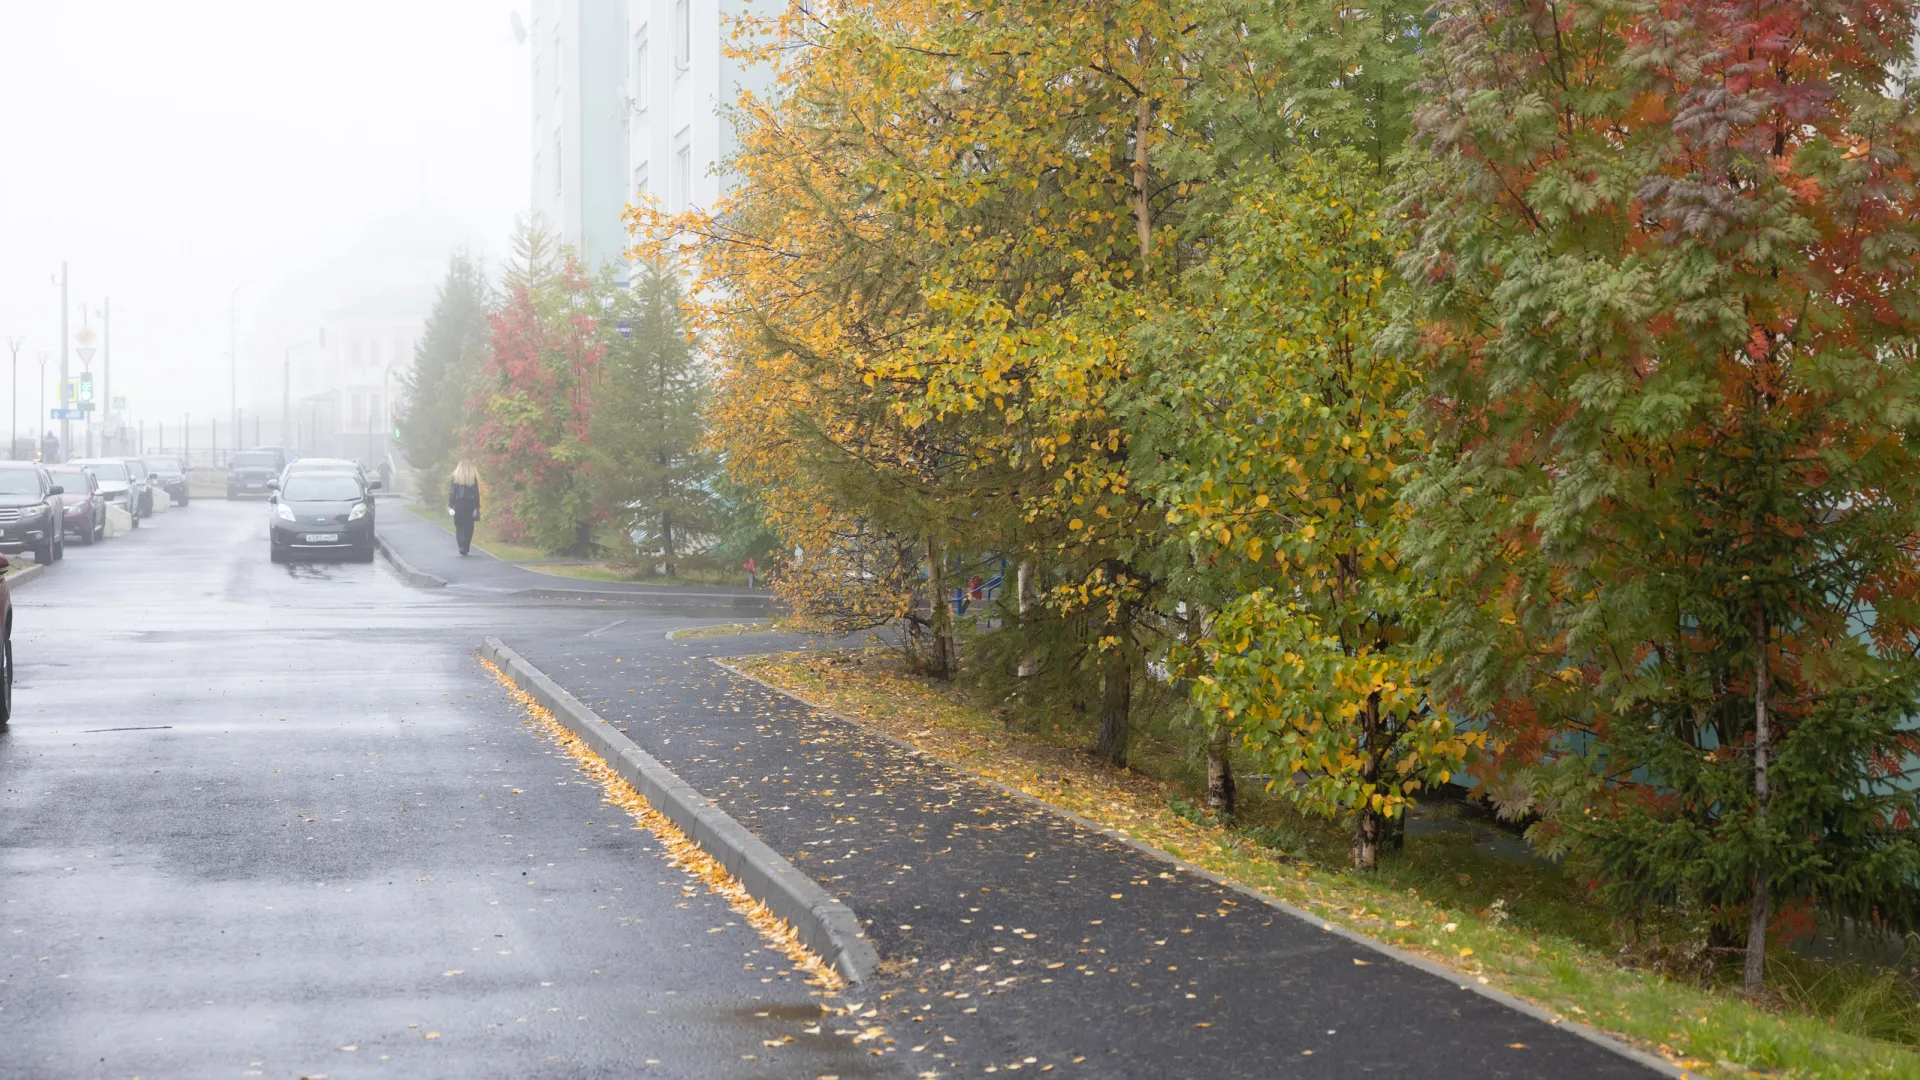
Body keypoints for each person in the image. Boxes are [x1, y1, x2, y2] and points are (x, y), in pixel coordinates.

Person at [448, 459, 481, 556]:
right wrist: (476, 507)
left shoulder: (455, 478)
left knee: (459, 525)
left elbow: (452, 493)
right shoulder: (473, 478)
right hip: (470, 504)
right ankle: (466, 546)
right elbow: (476, 493)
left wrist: (450, 505)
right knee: (469, 526)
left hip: (459, 504)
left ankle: (461, 544)